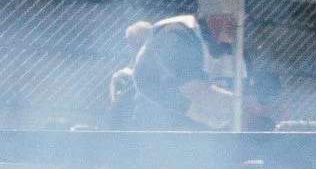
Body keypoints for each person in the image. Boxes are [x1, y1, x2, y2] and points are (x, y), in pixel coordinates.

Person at [107, 8, 260, 129]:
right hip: (162, 133)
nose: (238, 27)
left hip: (208, 138)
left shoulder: (237, 54)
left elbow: (251, 106)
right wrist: (241, 103)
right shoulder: (180, 36)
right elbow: (193, 90)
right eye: (231, 20)